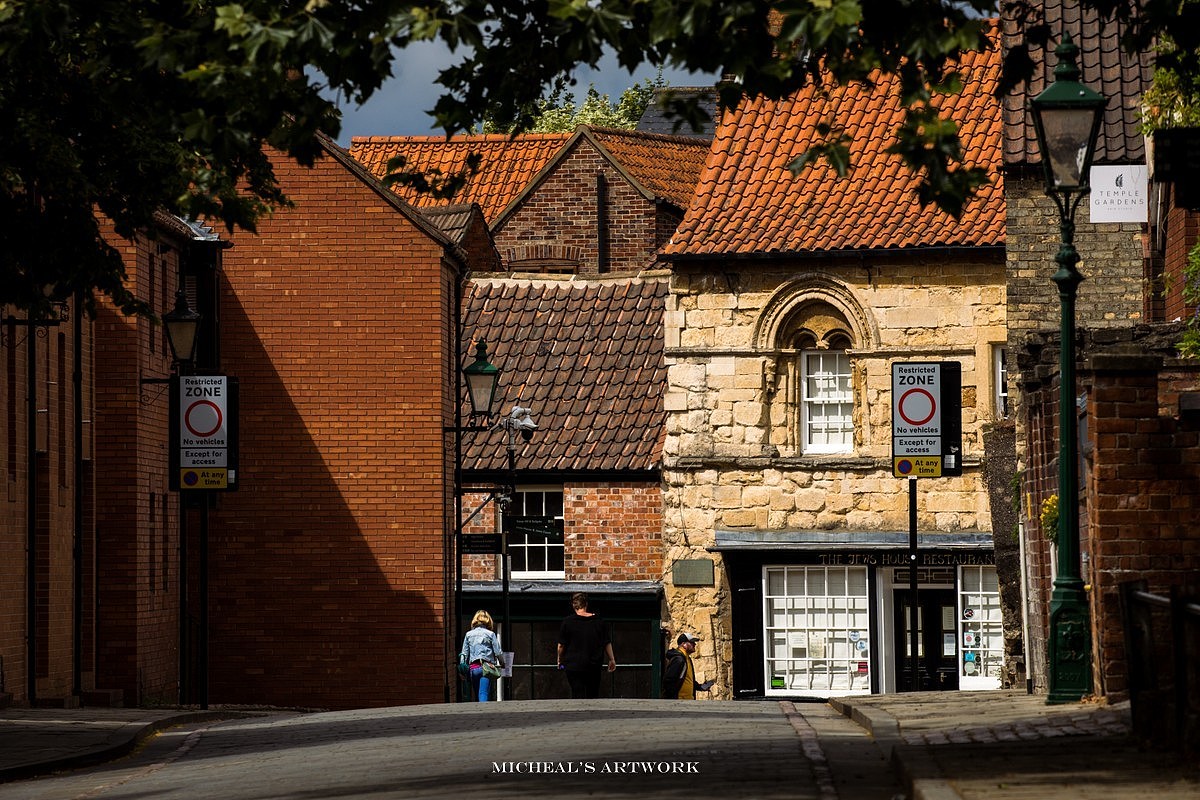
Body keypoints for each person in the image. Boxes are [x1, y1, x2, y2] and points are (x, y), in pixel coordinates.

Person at [556, 592, 616, 698]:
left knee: (577, 693)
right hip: (594, 664)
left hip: (573, 665)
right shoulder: (598, 621)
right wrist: (612, 659)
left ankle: (578, 713)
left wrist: (560, 659)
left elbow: (561, 645)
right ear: (586, 604)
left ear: (573, 605)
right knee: (592, 694)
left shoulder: (567, 622)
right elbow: (606, 642)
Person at [460, 610, 505, 702]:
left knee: (477, 693)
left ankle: (477, 713)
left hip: (473, 668)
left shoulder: (468, 634)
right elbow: (498, 652)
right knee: (483, 693)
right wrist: (502, 663)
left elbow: (464, 654)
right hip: (486, 667)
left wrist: (462, 669)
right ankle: (483, 713)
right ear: (488, 620)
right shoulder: (490, 634)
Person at [662, 632, 714, 699]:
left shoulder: (687, 659)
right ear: (684, 644)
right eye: (691, 642)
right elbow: (668, 681)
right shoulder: (679, 660)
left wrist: (700, 687)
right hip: (679, 702)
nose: (694, 644)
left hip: (687, 700)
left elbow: (688, 680)